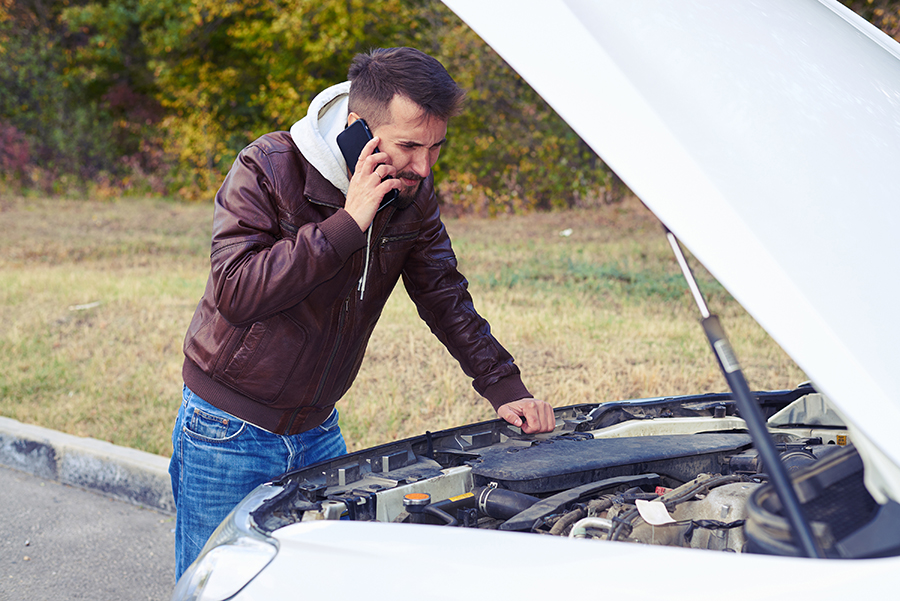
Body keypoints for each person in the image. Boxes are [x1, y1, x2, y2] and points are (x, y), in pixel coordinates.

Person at [168, 47, 555, 578]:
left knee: (314, 585)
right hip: (229, 430)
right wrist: (349, 222)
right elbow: (237, 290)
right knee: (220, 584)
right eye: (409, 146)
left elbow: (442, 291)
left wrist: (505, 386)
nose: (423, 166)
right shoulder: (268, 166)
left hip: (318, 427)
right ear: (357, 130)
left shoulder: (411, 192)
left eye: (436, 147)